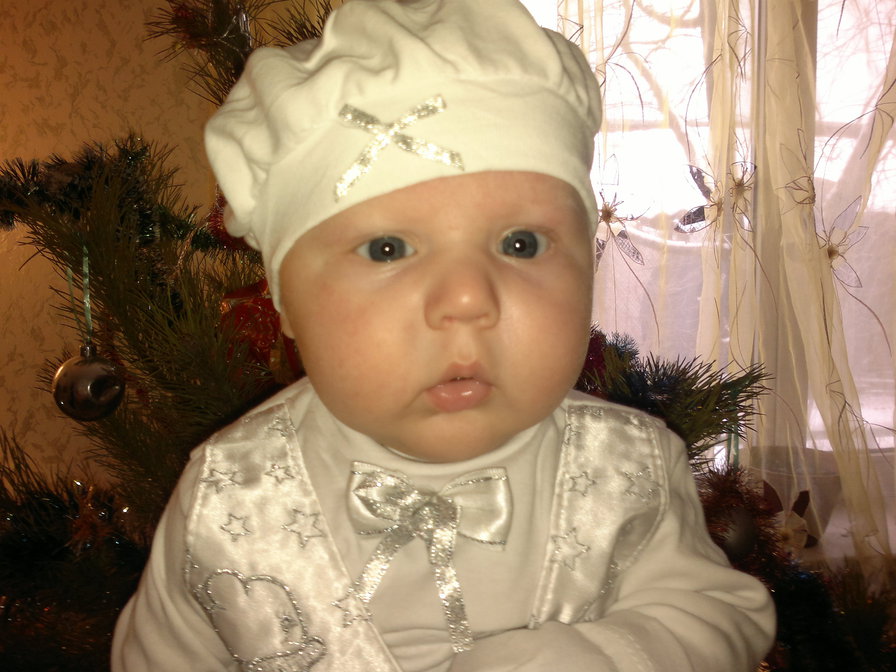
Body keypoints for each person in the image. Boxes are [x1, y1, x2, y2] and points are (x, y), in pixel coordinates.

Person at [111, 1, 775, 670]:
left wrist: (606, 658)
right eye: (387, 248)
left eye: (521, 243)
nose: (467, 299)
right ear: (286, 303)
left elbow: (717, 614)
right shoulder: (227, 492)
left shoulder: (631, 469)